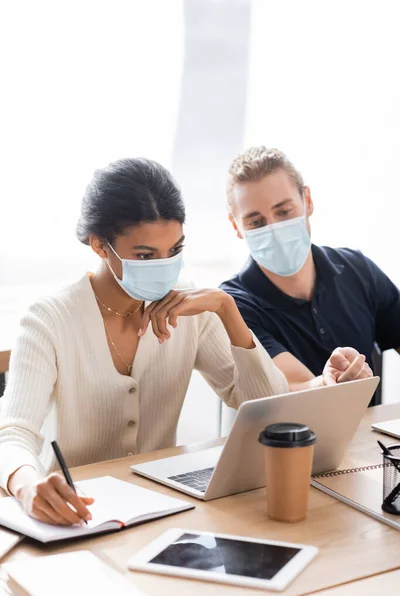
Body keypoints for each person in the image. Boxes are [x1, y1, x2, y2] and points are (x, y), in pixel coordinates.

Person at [0, 157, 291, 525]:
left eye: (174, 250)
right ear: (100, 245)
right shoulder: (50, 320)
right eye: (145, 255)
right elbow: (13, 433)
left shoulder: (192, 308)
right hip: (78, 517)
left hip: (163, 511)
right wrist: (28, 486)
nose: (164, 266)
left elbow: (272, 411)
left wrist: (226, 309)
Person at [221, 146, 400, 392]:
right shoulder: (234, 305)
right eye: (256, 222)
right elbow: (288, 388)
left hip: (368, 431)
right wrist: (329, 383)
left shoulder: (358, 270)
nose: (274, 229)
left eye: (284, 211)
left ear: (307, 201)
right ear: (236, 226)